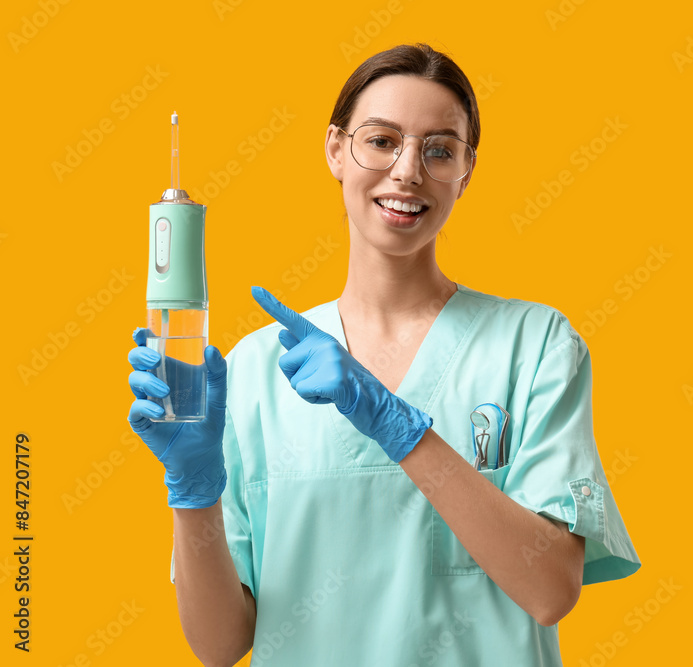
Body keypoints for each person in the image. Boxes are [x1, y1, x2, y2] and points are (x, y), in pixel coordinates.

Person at [127, 42, 640, 667]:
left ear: (467, 171)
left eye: (439, 150)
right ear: (336, 149)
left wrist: (398, 428)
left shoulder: (532, 345)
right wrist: (192, 491)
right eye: (380, 141)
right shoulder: (257, 370)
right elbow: (219, 646)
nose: (407, 172)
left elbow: (551, 590)